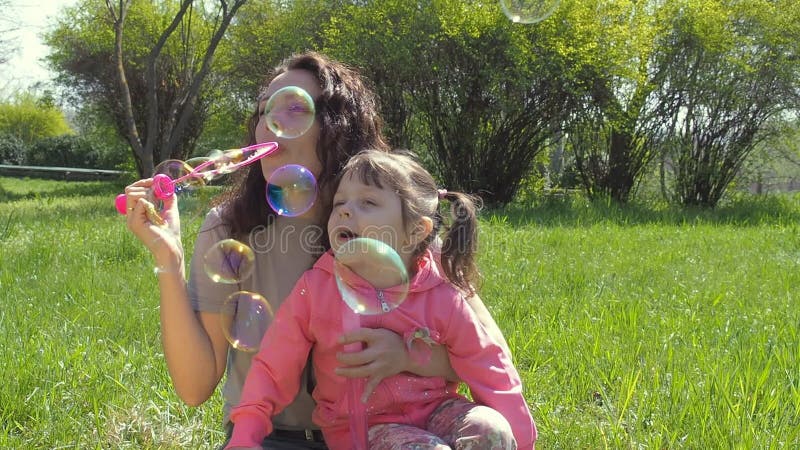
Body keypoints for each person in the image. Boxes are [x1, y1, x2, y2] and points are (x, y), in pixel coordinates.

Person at [123, 52, 512, 449]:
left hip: (392, 432)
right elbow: (194, 387)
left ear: (337, 128)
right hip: (271, 437)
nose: (267, 124)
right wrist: (169, 262)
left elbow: (489, 354)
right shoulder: (230, 226)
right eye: (263, 111)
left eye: (293, 108)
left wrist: (410, 357)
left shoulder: (391, 229)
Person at [226, 150, 537, 450]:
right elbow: (273, 366)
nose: (345, 210)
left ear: (416, 231)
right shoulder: (317, 290)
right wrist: (246, 435)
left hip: (439, 412)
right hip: (363, 431)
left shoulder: (440, 293)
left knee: (491, 429)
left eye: (368, 202)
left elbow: (487, 363)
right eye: (340, 203)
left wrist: (522, 442)